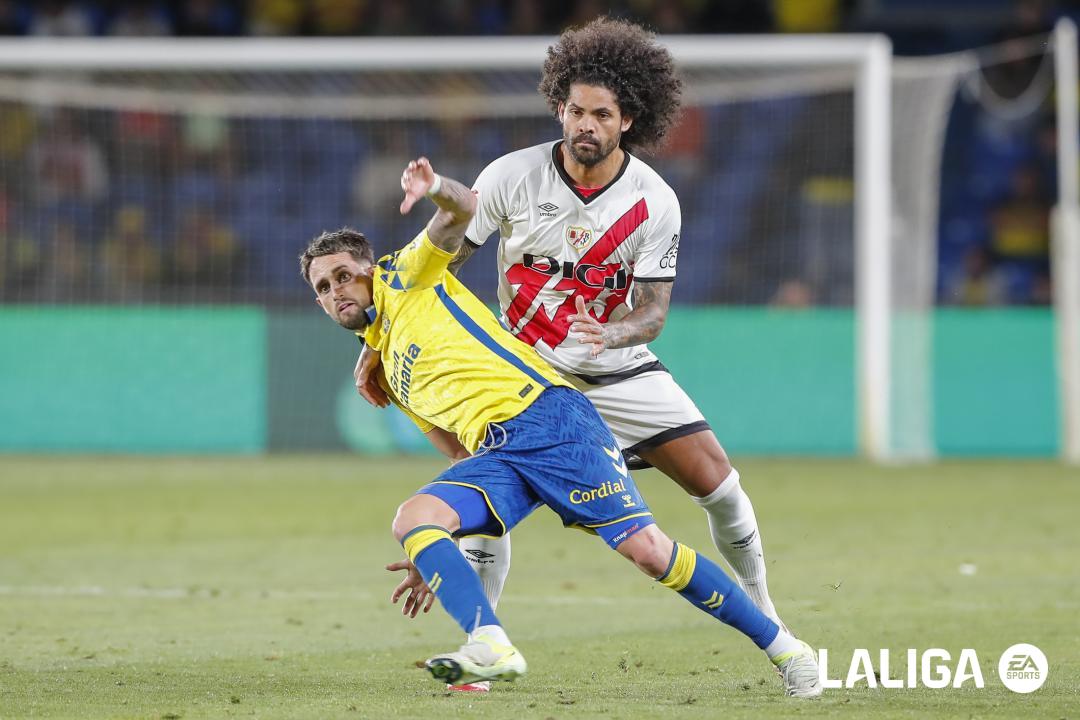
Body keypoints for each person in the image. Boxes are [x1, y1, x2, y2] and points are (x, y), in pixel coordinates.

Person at [353, 17, 795, 685]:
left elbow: (652, 313)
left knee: (720, 486)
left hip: (615, 368)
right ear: (559, 105)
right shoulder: (512, 176)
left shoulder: (654, 202)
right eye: (574, 109)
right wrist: (379, 342)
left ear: (628, 120)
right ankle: (482, 651)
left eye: (601, 114)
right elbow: (438, 267)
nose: (584, 124)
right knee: (484, 513)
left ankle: (764, 608)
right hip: (524, 378)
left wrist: (611, 334)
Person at [302, 156, 822, 697]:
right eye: (322, 287)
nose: (336, 291)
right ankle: (490, 644)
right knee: (414, 517)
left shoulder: (405, 275)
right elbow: (459, 457)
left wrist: (433, 187)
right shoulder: (389, 371)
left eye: (344, 276)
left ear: (369, 269)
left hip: (549, 418)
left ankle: (785, 647)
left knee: (648, 551)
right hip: (499, 451)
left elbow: (463, 209)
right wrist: (433, 549)